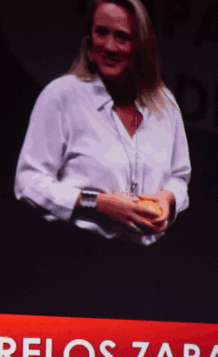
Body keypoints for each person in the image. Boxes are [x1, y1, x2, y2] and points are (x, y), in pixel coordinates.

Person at [14, 0, 190, 245]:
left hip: (146, 266)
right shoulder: (62, 96)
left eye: (122, 37)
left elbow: (179, 177)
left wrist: (167, 198)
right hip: (72, 255)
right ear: (89, 42)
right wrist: (99, 204)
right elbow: (29, 182)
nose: (110, 46)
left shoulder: (164, 104)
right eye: (101, 33)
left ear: (140, 47)